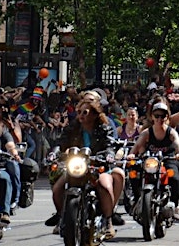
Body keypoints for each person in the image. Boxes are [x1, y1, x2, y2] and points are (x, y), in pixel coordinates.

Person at [45, 100, 124, 240]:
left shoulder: (104, 128)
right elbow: (61, 142)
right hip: (77, 166)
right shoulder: (73, 127)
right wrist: (54, 152)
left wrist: (109, 155)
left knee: (105, 186)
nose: (80, 115)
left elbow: (110, 144)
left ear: (94, 114)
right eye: (79, 112)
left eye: (85, 112)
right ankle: (63, 217)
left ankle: (108, 221)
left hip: (97, 166)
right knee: (58, 188)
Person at [127, 102, 179, 219]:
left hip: (167, 160)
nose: (160, 119)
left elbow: (178, 145)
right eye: (157, 115)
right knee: (134, 175)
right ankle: (137, 199)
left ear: (167, 117)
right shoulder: (146, 133)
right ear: (152, 117)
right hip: (150, 161)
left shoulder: (171, 133)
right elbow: (136, 147)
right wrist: (131, 155)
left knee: (175, 177)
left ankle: (174, 204)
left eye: (163, 116)